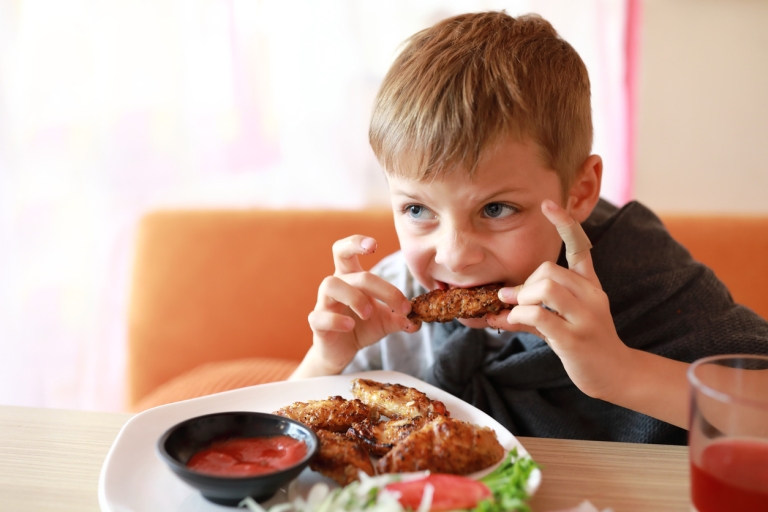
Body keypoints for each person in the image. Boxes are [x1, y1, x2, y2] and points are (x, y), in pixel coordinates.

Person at [289, 11, 768, 444]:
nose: (454, 256)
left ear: (578, 192)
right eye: (417, 210)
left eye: (496, 210)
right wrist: (326, 359)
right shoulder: (386, 305)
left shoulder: (643, 271)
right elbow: (268, 447)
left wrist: (620, 372)